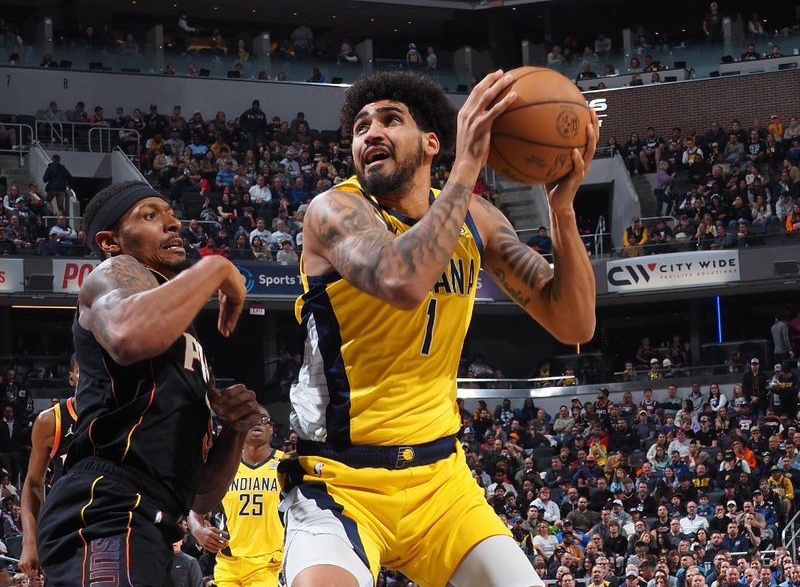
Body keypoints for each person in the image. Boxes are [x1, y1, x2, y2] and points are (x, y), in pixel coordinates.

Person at [279, 70, 598, 587]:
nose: (369, 133)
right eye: (360, 127)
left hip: (442, 482)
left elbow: (574, 323)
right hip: (339, 481)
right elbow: (401, 281)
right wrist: (467, 163)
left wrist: (560, 211)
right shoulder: (335, 209)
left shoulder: (479, 220)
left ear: (431, 143)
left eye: (389, 120)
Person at [35, 181, 262, 586]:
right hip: (106, 507)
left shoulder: (178, 329)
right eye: (150, 215)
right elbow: (127, 336)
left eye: (170, 214)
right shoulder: (112, 273)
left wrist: (234, 431)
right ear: (110, 241)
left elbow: (198, 496)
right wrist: (216, 267)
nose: (173, 223)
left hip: (153, 522)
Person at [189, 405, 285, 587]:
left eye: (263, 419)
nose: (258, 423)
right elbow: (195, 508)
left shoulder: (286, 464)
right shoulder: (224, 467)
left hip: (270, 564)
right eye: (251, 419)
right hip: (228, 563)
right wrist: (198, 530)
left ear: (271, 428)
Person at [18, 356, 80, 577]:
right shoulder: (52, 420)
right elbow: (34, 483)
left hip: (109, 527)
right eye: (82, 371)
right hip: (64, 528)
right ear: (71, 378)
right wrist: (30, 542)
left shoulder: (120, 418)